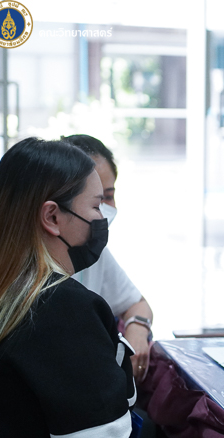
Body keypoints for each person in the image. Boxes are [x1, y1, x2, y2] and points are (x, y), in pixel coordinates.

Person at [0, 138, 224, 438]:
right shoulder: (59, 307)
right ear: (52, 216)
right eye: (95, 206)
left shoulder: (3, 287)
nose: (103, 218)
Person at [61, 134, 153, 382]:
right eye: (94, 201)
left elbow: (136, 302)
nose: (103, 211)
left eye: (108, 196)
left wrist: (137, 328)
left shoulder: (93, 252)